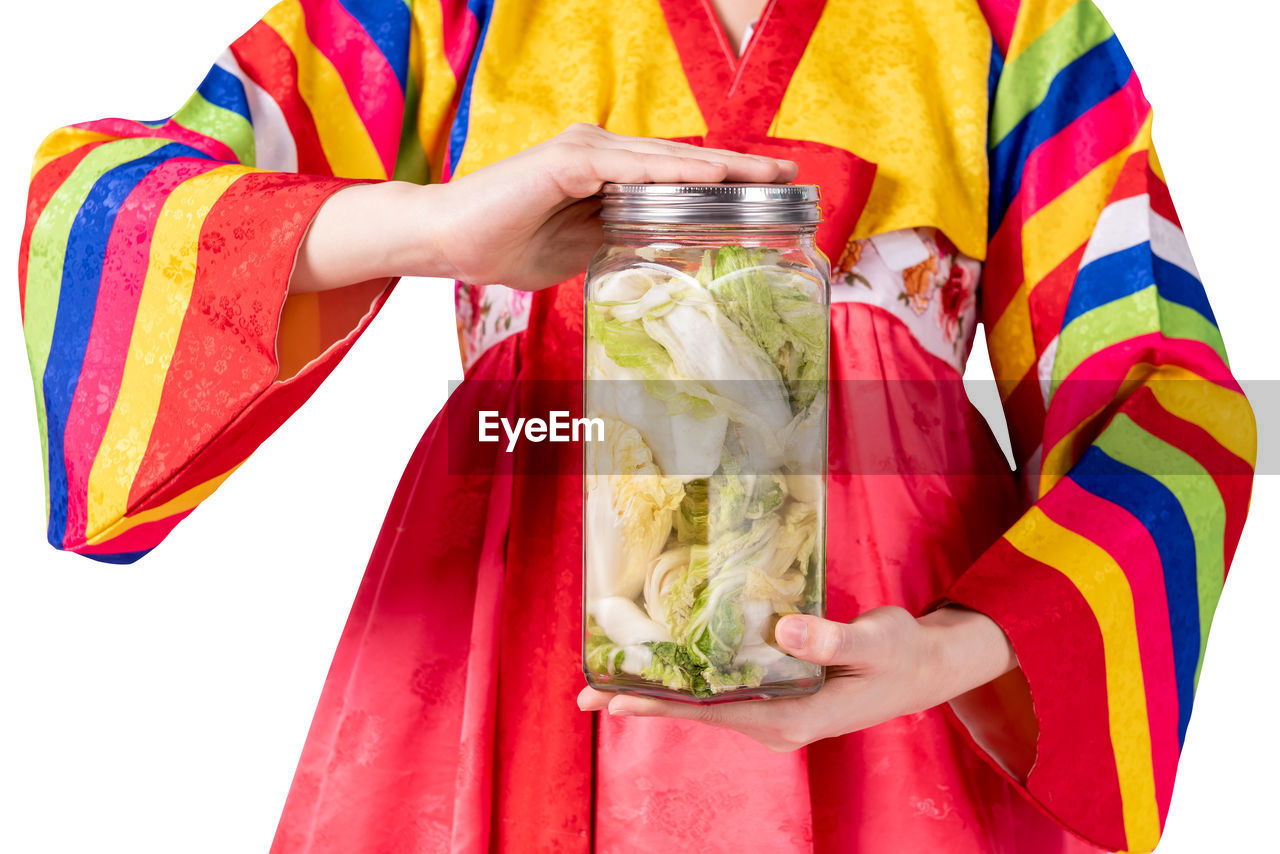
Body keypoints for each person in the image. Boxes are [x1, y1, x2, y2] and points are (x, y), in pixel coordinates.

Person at [17, 0, 1255, 851]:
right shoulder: (446, 13)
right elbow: (101, 208)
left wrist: (955, 649)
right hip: (514, 634)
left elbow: (1165, 403)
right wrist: (433, 227)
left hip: (884, 693)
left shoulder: (1013, 22)